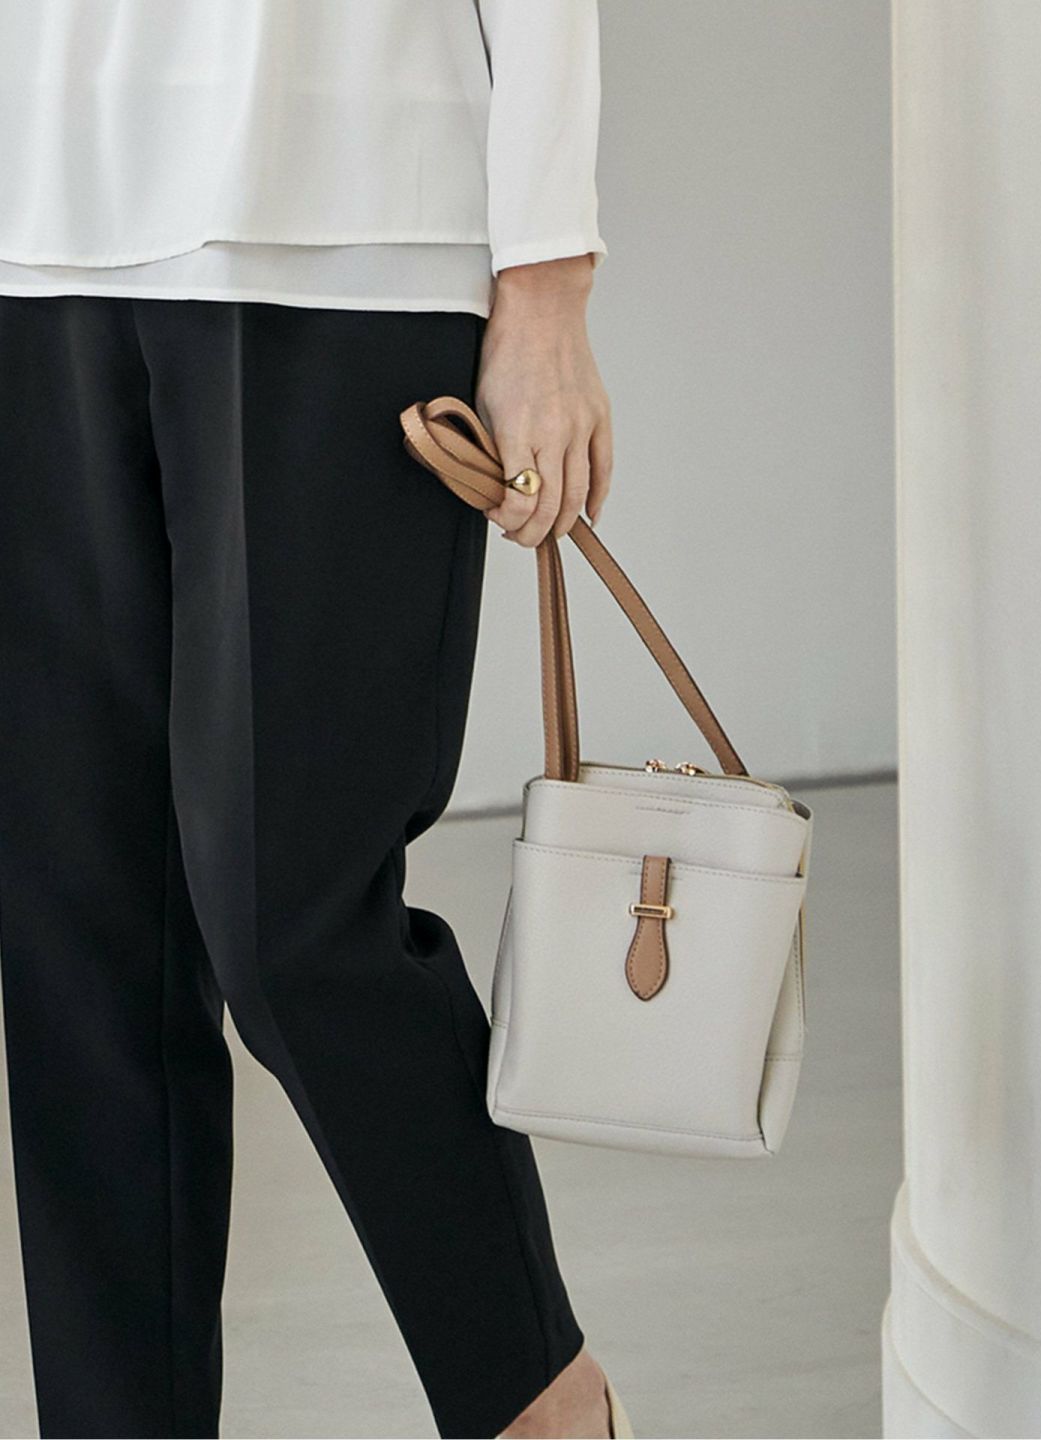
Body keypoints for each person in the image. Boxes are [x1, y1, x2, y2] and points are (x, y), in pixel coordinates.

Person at [0, 3, 624, 1437]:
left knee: (295, 920)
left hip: (349, 216)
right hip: (32, 219)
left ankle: (538, 1400)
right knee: (82, 940)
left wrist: (546, 278)